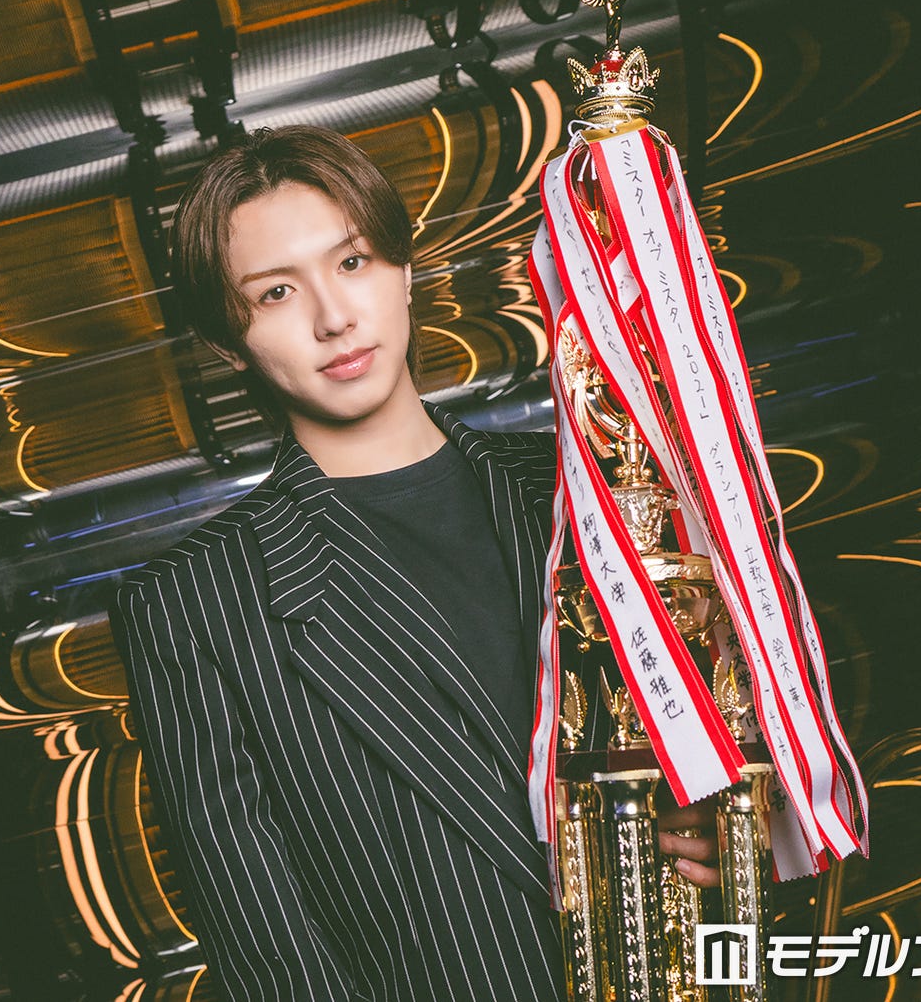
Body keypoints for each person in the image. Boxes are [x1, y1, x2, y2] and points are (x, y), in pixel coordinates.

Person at [110, 124, 715, 1002]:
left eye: (352, 262)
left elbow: (723, 739)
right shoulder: (195, 604)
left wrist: (717, 817)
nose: (333, 317)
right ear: (227, 340)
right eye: (276, 291)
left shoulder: (592, 488)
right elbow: (272, 955)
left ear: (403, 269)